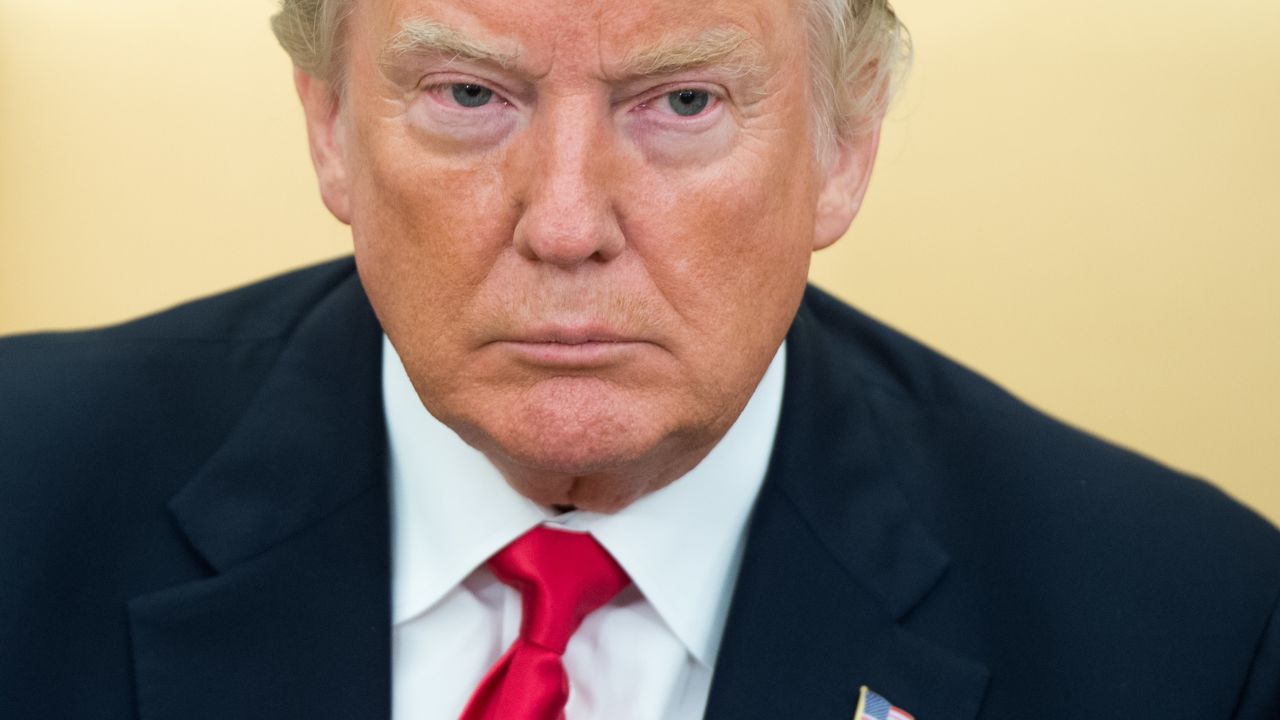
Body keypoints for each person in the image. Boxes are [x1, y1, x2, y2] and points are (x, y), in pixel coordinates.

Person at [1, 0, 1277, 717]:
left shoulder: (1187, 635)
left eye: (680, 102)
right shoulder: (22, 495)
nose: (564, 223)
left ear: (845, 147)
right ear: (329, 130)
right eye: (466, 96)